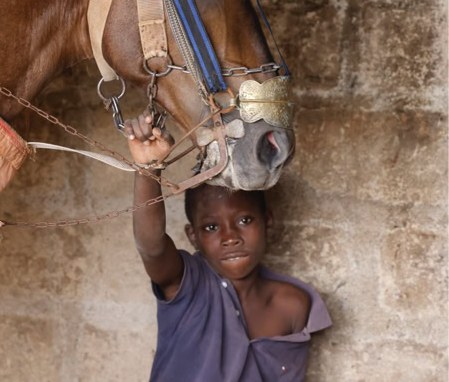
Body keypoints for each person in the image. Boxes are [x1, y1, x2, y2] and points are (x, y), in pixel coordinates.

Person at [124, 112, 331, 382]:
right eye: (211, 227)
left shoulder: (292, 304)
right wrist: (148, 168)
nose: (230, 237)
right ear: (193, 236)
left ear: (267, 222)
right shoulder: (188, 286)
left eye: (244, 220)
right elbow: (151, 246)